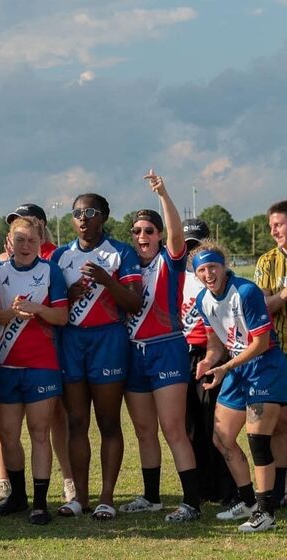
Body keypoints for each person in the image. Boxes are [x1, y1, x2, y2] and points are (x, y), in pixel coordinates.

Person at [50, 193, 142, 520]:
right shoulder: (60, 256)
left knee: (108, 422)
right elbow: (52, 306)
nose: (83, 218)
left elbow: (134, 303)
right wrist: (70, 295)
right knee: (76, 422)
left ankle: (106, 497)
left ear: (103, 215)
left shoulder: (121, 252)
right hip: (72, 342)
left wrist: (105, 281)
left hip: (108, 340)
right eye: (77, 213)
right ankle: (80, 498)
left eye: (90, 212)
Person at [118, 171, 201, 522]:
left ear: (159, 235)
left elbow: (177, 232)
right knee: (143, 430)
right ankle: (151, 496)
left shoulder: (171, 260)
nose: (141, 236)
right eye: (136, 231)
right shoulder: (127, 265)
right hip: (133, 352)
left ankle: (192, 502)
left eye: (148, 231)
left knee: (172, 428)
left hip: (166, 348)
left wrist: (163, 194)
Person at [193, 242, 287, 532]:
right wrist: (209, 361)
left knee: (258, 440)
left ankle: (267, 512)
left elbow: (259, 343)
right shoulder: (202, 299)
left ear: (224, 266)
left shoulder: (245, 292)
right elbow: (216, 340)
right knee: (221, 439)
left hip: (264, 366)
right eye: (201, 269)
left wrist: (226, 367)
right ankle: (247, 501)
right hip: (235, 366)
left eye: (212, 267)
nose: (208, 274)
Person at [0, 216, 69, 525]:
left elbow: (61, 317)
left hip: (42, 365)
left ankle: (39, 502)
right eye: (19, 240)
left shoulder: (51, 271)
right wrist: (12, 313)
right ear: (9, 242)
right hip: (6, 364)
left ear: (40, 242)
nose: (25, 246)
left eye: (31, 241)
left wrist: (38, 310)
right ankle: (18, 496)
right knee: (8, 435)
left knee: (39, 433)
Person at [180, 219, 238, 510]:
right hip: (186, 354)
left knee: (215, 422)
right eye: (189, 246)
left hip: (214, 353)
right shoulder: (182, 274)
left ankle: (227, 488)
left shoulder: (219, 277)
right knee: (191, 423)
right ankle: (203, 487)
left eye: (198, 244)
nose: (194, 251)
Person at [253, 199, 287, 509]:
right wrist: (284, 294)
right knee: (280, 424)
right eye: (271, 226)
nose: (273, 230)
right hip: (280, 354)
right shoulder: (267, 262)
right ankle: (278, 491)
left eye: (279, 224)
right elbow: (264, 307)